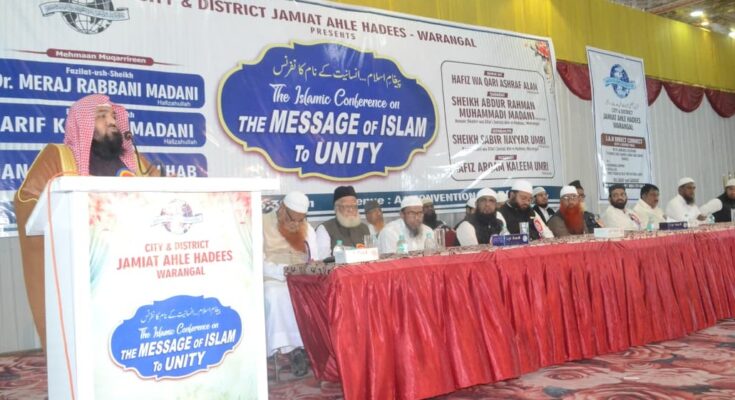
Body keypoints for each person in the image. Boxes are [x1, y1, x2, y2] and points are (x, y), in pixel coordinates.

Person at [14, 93, 158, 349]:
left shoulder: (134, 162)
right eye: (102, 116)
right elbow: (27, 199)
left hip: (133, 264)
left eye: (113, 116)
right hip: (83, 267)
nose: (111, 121)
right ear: (83, 124)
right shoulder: (58, 156)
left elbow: (164, 191)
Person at [262, 191, 317, 376]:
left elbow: (314, 258)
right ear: (282, 209)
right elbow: (257, 262)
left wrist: (309, 270)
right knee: (275, 294)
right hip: (274, 276)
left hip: (301, 277)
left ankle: (312, 346)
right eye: (293, 219)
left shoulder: (306, 228)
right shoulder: (261, 224)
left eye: (301, 220)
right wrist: (284, 271)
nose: (296, 224)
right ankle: (291, 350)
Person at [316, 185, 370, 259]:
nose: (351, 210)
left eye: (354, 206)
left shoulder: (364, 228)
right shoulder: (324, 229)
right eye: (346, 206)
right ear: (336, 208)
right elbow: (323, 261)